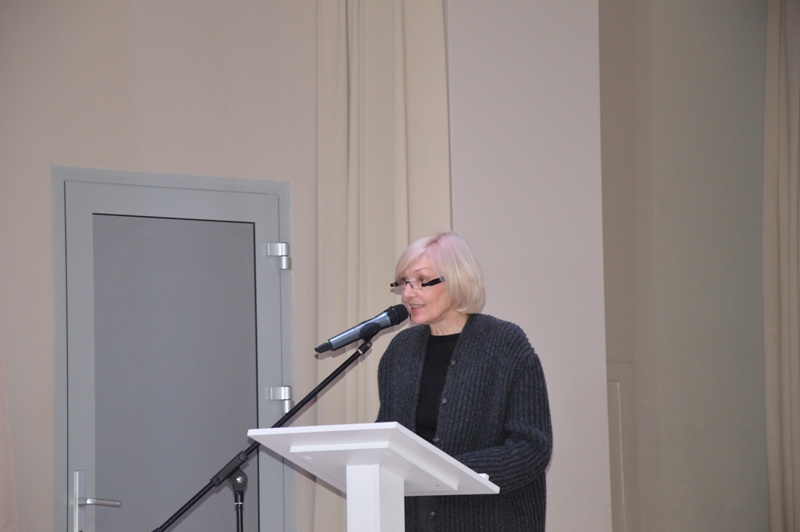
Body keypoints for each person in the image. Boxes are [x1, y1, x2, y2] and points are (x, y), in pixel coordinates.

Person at [376, 232, 552, 532]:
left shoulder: (505, 344)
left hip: (490, 520)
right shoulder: (400, 350)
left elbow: (531, 447)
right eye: (404, 282)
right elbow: (389, 436)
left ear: (456, 280)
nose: (407, 294)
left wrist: (448, 472)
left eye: (421, 281)